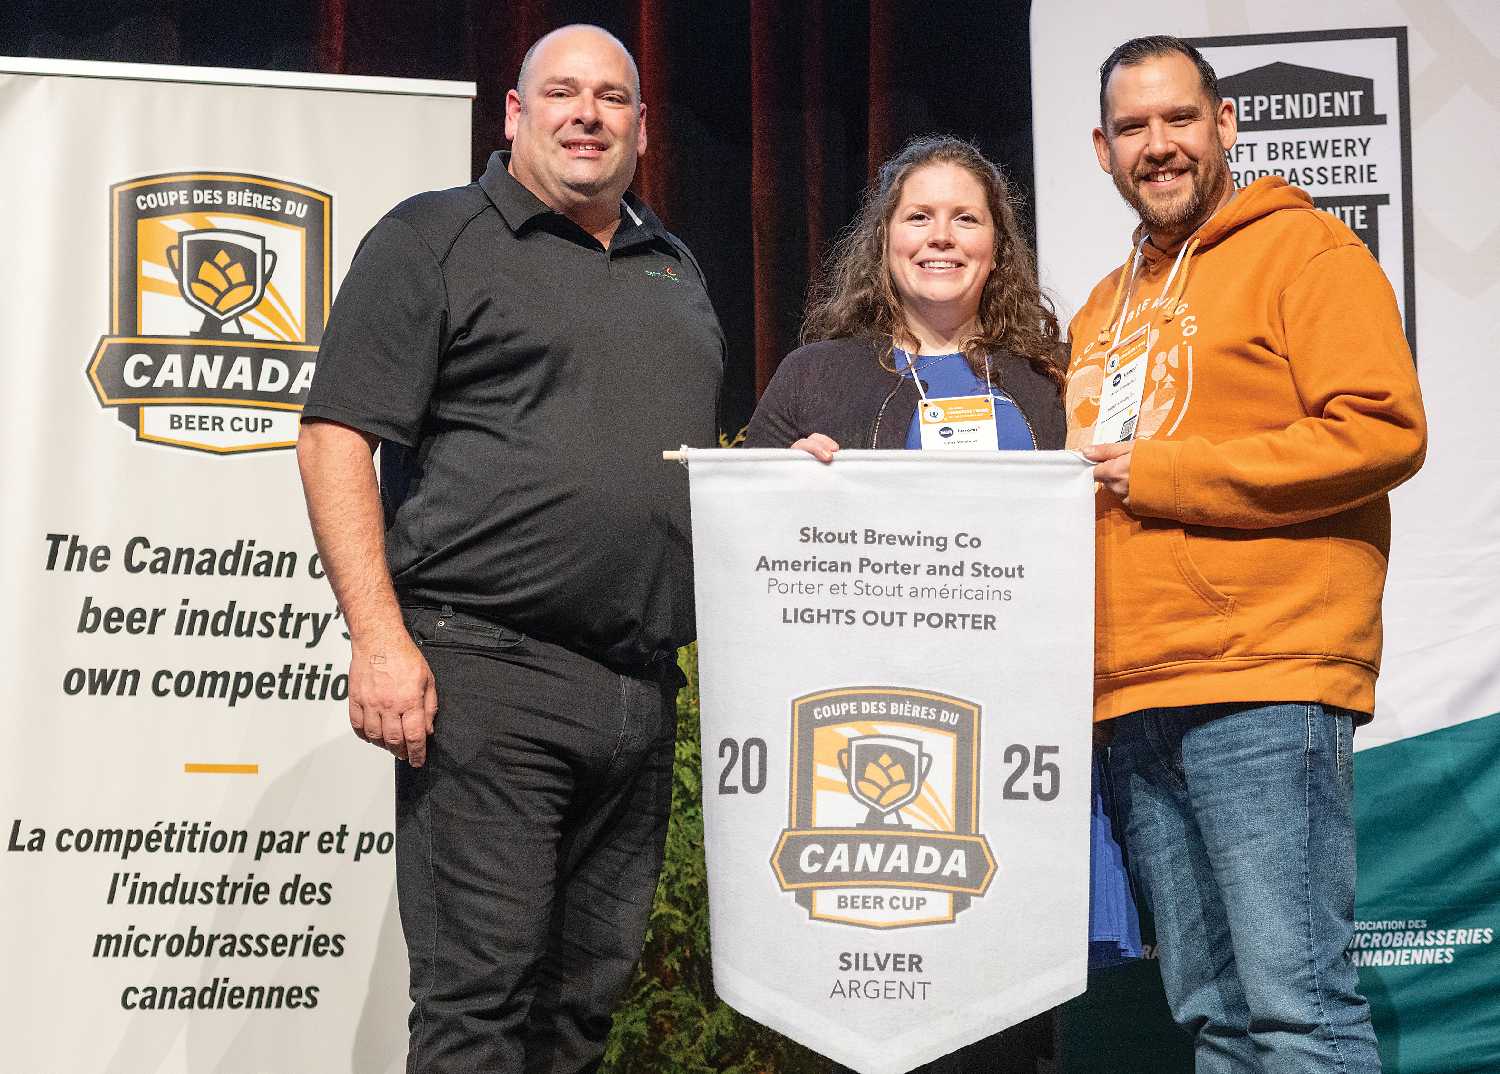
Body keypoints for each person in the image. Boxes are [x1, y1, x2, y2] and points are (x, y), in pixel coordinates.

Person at [296, 24, 723, 1074]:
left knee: (574, 1022)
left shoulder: (676, 267)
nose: (589, 114)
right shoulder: (435, 238)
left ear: (643, 128)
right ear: (515, 115)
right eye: (563, 93)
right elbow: (335, 434)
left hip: (636, 692)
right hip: (487, 675)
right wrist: (378, 638)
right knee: (477, 1012)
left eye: (612, 98)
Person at [1068, 35, 1426, 1073]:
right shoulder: (1101, 306)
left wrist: (1167, 472)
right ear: (1102, 149)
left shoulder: (1305, 253)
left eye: (1180, 118)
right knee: (1214, 1021)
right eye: (1134, 127)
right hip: (1134, 698)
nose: (1160, 145)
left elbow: (1382, 429)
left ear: (1225, 123)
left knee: (1297, 1011)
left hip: (1263, 682)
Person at [747, 134, 1138, 1074]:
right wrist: (779, 483)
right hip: (853, 746)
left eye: (967, 219)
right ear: (884, 239)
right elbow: (728, 531)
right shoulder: (815, 373)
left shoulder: (1047, 387)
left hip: (1011, 746)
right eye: (919, 216)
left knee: (1006, 1005)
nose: (941, 237)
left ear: (997, 249)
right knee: (864, 1014)